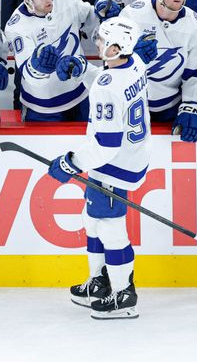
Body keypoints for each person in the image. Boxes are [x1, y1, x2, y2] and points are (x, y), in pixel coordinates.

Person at [47, 17, 150, 320]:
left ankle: (122, 295)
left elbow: (106, 144)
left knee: (110, 228)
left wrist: (71, 162)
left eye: (104, 42)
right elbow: (111, 83)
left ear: (118, 47)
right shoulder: (136, 63)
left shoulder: (106, 87)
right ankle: (100, 282)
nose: (99, 45)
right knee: (92, 220)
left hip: (112, 166)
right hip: (133, 157)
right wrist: (85, 72)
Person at [4, 0, 120, 122]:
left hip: (80, 93)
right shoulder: (16, 27)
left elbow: (87, 18)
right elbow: (29, 74)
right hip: (43, 107)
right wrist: (38, 66)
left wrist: (102, 13)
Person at [119, 0, 197, 140]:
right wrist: (129, 59)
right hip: (131, 105)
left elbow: (194, 75)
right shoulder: (132, 15)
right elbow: (111, 64)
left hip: (170, 108)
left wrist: (190, 107)